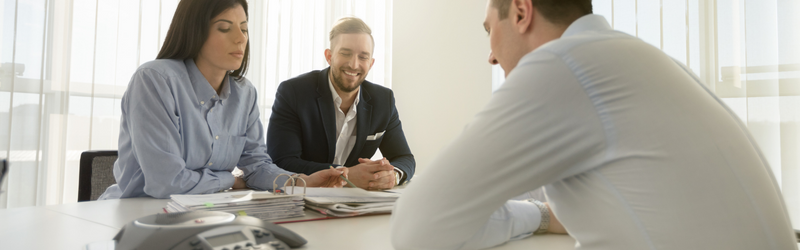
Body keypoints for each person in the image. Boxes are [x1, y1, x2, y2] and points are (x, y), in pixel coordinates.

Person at [390, 0, 796, 249]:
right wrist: (543, 214)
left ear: (520, 11)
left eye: (488, 31)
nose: (491, 58)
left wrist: (538, 217)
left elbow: (416, 228)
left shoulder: (563, 66)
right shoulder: (642, 58)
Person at [99, 0, 346, 200]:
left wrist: (300, 181)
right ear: (194, 30)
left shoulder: (245, 93)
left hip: (205, 212)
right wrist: (231, 180)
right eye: (225, 28)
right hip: (136, 214)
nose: (240, 38)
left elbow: (256, 165)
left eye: (244, 29)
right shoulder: (155, 80)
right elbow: (167, 182)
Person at [266, 17, 415, 191]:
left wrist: (392, 175)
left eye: (363, 56)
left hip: (354, 204)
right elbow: (282, 161)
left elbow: (404, 157)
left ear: (371, 63)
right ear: (329, 56)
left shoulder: (383, 99)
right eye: (345, 53)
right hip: (303, 198)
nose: (354, 64)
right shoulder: (293, 92)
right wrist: (347, 175)